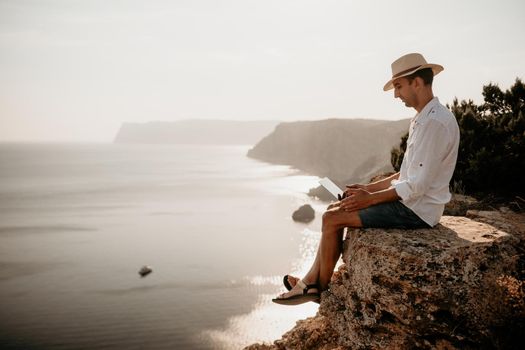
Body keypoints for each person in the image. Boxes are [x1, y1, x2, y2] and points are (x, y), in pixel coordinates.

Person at [272, 53, 460, 305]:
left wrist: (369, 199)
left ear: (417, 82)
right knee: (333, 208)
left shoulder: (435, 123)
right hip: (411, 203)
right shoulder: (423, 118)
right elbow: (406, 173)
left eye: (398, 86)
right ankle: (309, 281)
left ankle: (317, 288)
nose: (396, 95)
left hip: (416, 211)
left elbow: (417, 185)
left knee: (332, 218)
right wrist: (366, 189)